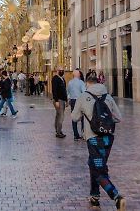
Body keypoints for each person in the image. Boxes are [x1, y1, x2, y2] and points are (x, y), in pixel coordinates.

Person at [71, 72, 125, 210]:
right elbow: (118, 117)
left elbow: (74, 117)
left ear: (87, 84)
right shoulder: (108, 97)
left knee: (98, 170)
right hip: (108, 138)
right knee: (93, 164)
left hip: (93, 138)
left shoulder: (83, 97)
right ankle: (95, 196)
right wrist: (105, 121)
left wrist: (86, 112)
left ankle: (116, 196)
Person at [67, 69, 86, 141]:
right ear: (78, 75)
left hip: (73, 101)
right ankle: (83, 133)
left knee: (74, 117)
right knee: (83, 117)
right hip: (80, 101)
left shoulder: (70, 82)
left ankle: (76, 135)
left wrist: (69, 99)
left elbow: (68, 92)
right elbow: (84, 92)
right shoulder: (81, 82)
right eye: (79, 74)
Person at [52, 69, 67, 139]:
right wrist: (56, 100)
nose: (62, 71)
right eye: (60, 70)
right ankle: (58, 132)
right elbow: (54, 90)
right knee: (61, 116)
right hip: (59, 100)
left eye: (62, 70)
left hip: (63, 100)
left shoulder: (62, 79)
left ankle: (58, 130)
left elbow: (64, 90)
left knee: (58, 115)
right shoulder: (55, 79)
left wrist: (66, 100)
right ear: (57, 71)